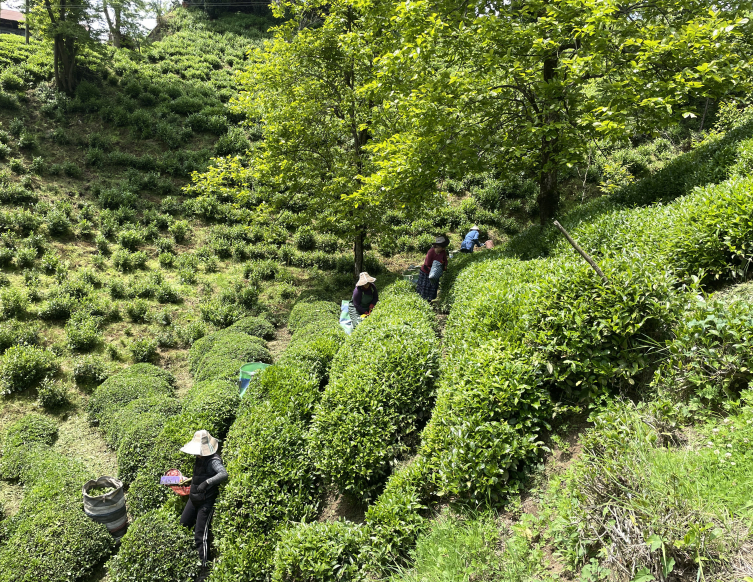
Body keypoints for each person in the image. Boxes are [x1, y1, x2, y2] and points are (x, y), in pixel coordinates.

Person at [179, 430, 228, 579]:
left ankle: (204, 569)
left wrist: (207, 482)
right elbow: (200, 475)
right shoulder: (199, 457)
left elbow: (223, 474)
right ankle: (187, 555)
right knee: (183, 523)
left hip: (205, 502)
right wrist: (188, 480)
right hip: (194, 498)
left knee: (200, 536)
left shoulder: (213, 460)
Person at [416, 235, 449, 302]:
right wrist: (432, 272)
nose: (443, 249)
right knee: (425, 288)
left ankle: (430, 301)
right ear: (438, 247)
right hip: (426, 272)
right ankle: (423, 302)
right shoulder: (431, 252)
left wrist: (445, 266)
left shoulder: (443, 252)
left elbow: (445, 260)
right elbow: (426, 265)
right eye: (442, 248)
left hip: (435, 272)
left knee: (432, 288)